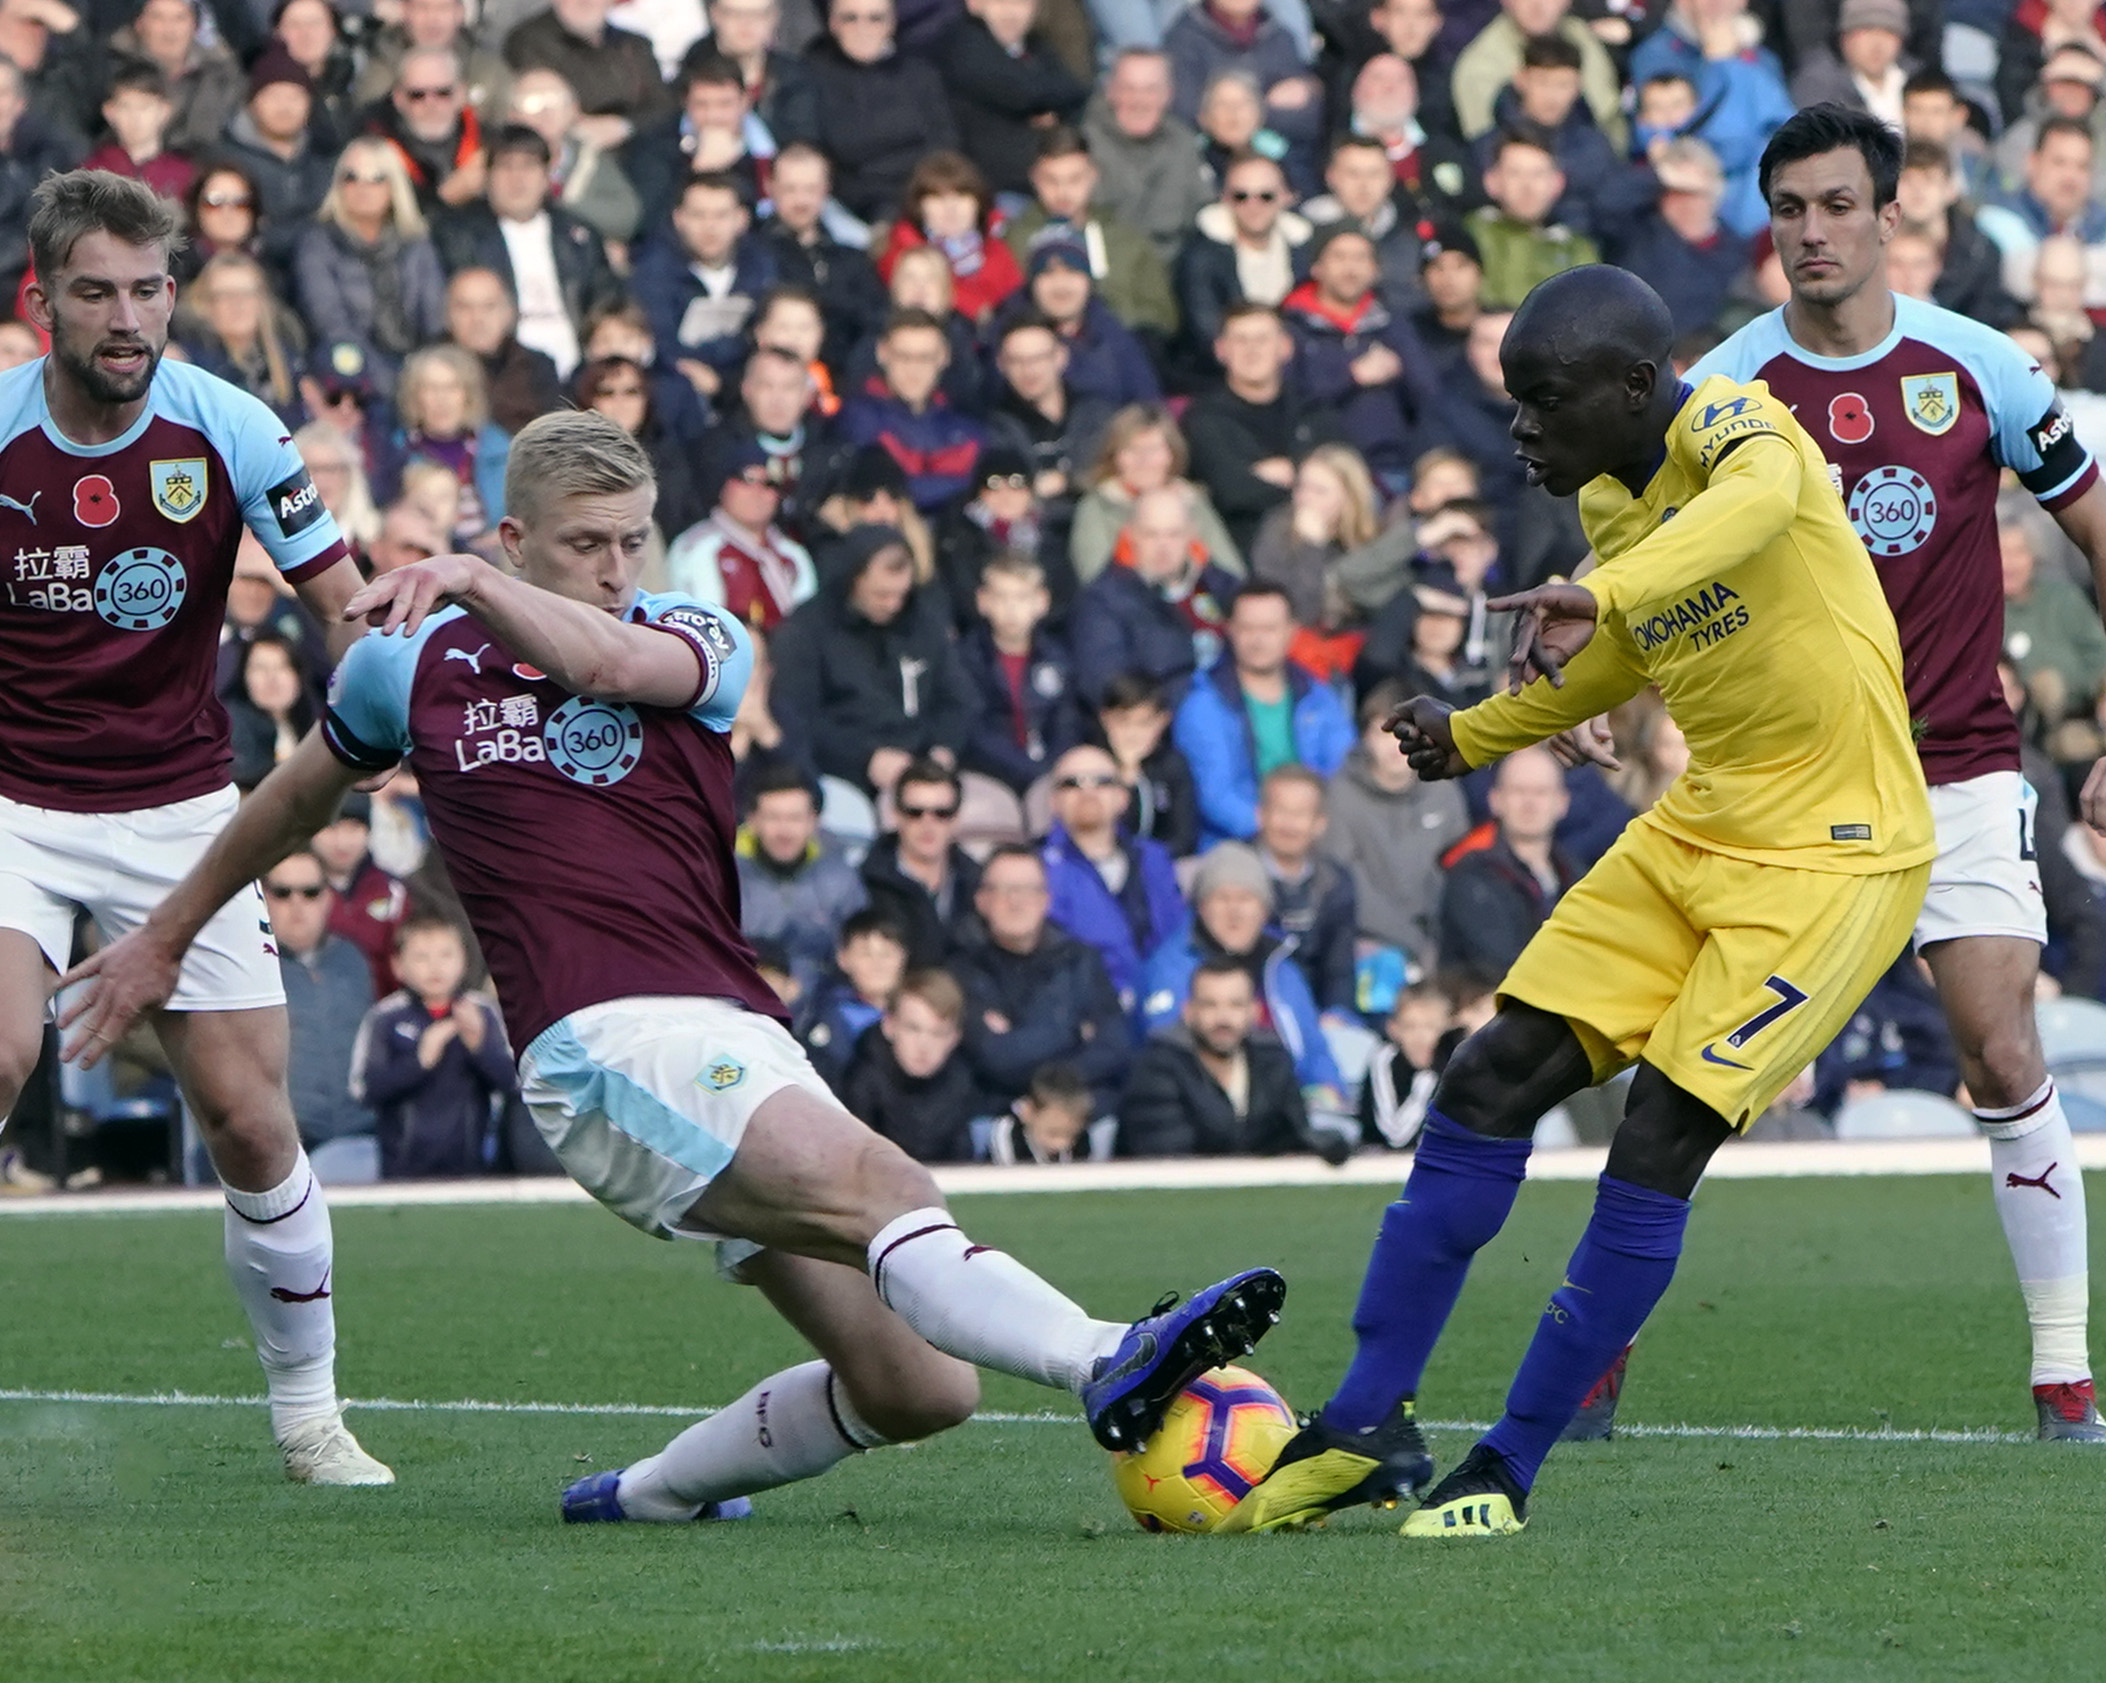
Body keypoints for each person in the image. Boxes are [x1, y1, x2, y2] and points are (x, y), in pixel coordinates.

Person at [67, 408, 1285, 1519]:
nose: (615, 568)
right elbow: (293, 801)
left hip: (734, 1032)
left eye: (632, 541)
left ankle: (644, 1497)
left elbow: (602, 665)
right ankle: (1109, 1355)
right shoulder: (412, 663)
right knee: (889, 1184)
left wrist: (471, 582)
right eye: (585, 543)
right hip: (599, 1042)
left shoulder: (696, 633)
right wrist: (165, 935)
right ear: (516, 536)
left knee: (918, 1389)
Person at [1220, 263, 1936, 1539]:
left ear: (1638, 385)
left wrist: (1603, 590)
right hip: (1703, 823)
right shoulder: (1614, 498)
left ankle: (1506, 1467)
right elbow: (1629, 646)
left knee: (1655, 1134)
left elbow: (1753, 510)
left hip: (1837, 857)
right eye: (1515, 402)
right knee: (1489, 1076)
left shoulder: (1740, 427)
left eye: (1544, 400)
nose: (1522, 428)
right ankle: (1368, 1422)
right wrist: (1474, 734)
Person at [1684, 104, 2106, 1441]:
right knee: (1697, 1073)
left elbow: (2099, 533)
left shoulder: (1979, 366)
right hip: (1792, 779)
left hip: (1958, 770)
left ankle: (2063, 1374)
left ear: (1887, 214)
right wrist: (1603, 690)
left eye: (1835, 205)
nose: (1811, 231)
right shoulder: (1721, 390)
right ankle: (1597, 1348)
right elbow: (1652, 566)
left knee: (2002, 1047)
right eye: (1788, 209)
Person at [1, 170, 387, 1483]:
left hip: (180, 808)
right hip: (13, 803)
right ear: (43, 302)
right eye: (96, 293)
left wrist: (381, 697)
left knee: (250, 1121)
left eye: (148, 291)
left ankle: (309, 1417)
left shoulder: (232, 427)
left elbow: (346, 603)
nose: (127, 319)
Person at [770, 524, 973, 796]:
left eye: (901, 594)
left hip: (923, 768)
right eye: (882, 594)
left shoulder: (922, 623)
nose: (893, 605)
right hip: (840, 774)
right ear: (854, 580)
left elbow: (959, 699)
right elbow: (797, 715)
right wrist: (865, 758)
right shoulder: (806, 630)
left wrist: (943, 748)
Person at [1140, 839, 1348, 1102]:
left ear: (1264, 910)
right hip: (1199, 1103)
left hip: (1287, 1102)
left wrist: (1329, 1089)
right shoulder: (1168, 968)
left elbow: (1315, 1050)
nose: (1234, 912)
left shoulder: (1282, 968)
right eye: (1222, 898)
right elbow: (1165, 1049)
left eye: (1246, 899)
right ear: (1201, 907)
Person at [951, 844, 1131, 1119]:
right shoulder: (960, 969)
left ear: (1046, 900)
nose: (1016, 902)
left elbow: (1114, 1047)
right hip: (998, 1116)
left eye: (1027, 890)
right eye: (1004, 890)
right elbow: (995, 1059)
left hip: (1079, 1112)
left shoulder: (1080, 960)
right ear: (982, 900)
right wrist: (1070, 1031)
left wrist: (1052, 1085)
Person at [1173, 582, 1355, 847]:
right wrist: (1280, 834)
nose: (1258, 641)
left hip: (1315, 838)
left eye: (1269, 629)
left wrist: (1312, 828)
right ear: (1230, 630)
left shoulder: (1318, 696)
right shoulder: (1203, 704)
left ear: (1292, 631)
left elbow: (1343, 773)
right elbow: (1216, 797)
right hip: (1236, 846)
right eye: (1248, 628)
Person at [433, 124, 619, 380]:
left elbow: (605, 301)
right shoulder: (457, 235)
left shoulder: (578, 235)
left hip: (580, 368)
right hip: (499, 367)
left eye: (529, 166)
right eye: (505, 167)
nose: (517, 179)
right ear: (487, 176)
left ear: (547, 175)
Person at [350, 914, 516, 1178]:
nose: (435, 967)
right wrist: (419, 1062)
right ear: (398, 966)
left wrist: (479, 1046)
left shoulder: (482, 1012)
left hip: (470, 1172)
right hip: (402, 1174)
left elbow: (513, 1083)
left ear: (464, 960)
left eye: (445, 955)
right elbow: (365, 1090)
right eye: (421, 957)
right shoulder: (385, 1017)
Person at [1119, 955, 1327, 1157]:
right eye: (1210, 1005)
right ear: (1188, 1012)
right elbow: (1167, 1156)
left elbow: (1298, 1141)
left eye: (1236, 1005)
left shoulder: (1273, 1060)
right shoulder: (1156, 1068)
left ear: (1254, 1012)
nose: (1223, 1018)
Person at [1279, 222, 1437, 487]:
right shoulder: (1292, 327)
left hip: (1394, 466)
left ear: (1376, 270)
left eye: (1361, 258)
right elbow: (1286, 399)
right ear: (1316, 267)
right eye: (1339, 257)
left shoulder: (1393, 323)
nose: (1350, 269)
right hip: (1323, 468)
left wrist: (1400, 368)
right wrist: (1352, 376)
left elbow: (1429, 393)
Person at [1182, 303, 1343, 557]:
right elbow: (1232, 493)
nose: (1252, 350)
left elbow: (1344, 473)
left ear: (1285, 348)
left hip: (1327, 544)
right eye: (1241, 341)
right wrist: (1308, 482)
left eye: (1262, 340)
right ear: (1221, 351)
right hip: (1248, 549)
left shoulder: (1313, 408)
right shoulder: (1203, 418)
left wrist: (1287, 474)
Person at [1040, 742, 1186, 1015]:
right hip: (1085, 1012)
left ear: (1122, 797)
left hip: (1165, 1006)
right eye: (1072, 784)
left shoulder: (1155, 860)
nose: (1088, 792)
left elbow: (1177, 936)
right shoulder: (1038, 870)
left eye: (1102, 782)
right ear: (1053, 801)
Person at [1070, 486, 1243, 709]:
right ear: (1131, 534)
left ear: (1191, 534)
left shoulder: (1223, 586)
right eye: (1151, 534)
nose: (1163, 546)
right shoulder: (1102, 602)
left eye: (1174, 534)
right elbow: (1106, 686)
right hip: (1159, 719)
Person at [1003, 126, 1177, 341]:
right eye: (1051, 180)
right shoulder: (1014, 241)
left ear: (1093, 176)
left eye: (1075, 179)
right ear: (1034, 178)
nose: (1063, 192)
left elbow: (1162, 316)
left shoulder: (1126, 239)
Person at [294, 137, 448, 379]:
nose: (362, 188)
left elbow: (435, 319)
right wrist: (389, 381)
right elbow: (331, 325)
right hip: (349, 369)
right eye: (351, 177)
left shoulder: (416, 240)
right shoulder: (317, 243)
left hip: (418, 368)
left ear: (394, 185)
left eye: (376, 178)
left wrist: (425, 373)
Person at [801, 0, 961, 224]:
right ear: (833, 24)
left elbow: (945, 145)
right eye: (850, 18)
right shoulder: (811, 74)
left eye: (875, 19)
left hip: (923, 197)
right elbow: (826, 155)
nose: (863, 29)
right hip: (851, 209)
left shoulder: (920, 73)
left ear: (891, 24)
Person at [264, 846, 376, 1157]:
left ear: (327, 898)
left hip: (367, 1134)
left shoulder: (353, 960)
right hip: (284, 1149)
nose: (297, 904)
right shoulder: (249, 970)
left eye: (310, 892)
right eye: (282, 892)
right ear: (264, 899)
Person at [1435, 743, 1577, 976]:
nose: (1529, 803)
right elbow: (1499, 964)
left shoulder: (1579, 877)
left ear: (1562, 802)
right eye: (1518, 791)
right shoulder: (1470, 877)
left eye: (1541, 792)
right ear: (1495, 800)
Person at [957, 548, 1082, 796]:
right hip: (986, 780)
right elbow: (975, 731)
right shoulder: (964, 658)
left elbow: (1067, 724)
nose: (1011, 609)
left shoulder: (1060, 658)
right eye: (1001, 598)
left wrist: (1051, 770)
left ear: (1042, 602)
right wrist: (1031, 773)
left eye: (1022, 598)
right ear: (983, 601)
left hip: (1052, 776)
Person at [736, 760, 868, 991]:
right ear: (753, 821)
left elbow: (862, 951)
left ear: (814, 822)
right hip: (747, 995)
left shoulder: (840, 879)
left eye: (795, 818)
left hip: (828, 1000)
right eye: (773, 817)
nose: (784, 831)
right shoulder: (727, 879)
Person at [937, 0, 1090, 197]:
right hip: (995, 188)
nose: (1011, 13)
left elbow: (1075, 92)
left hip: (1045, 184)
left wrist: (1051, 106)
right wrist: (1050, 105)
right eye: (1000, 3)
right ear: (975, 4)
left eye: (1021, 3)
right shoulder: (964, 44)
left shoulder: (1036, 46)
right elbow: (1024, 93)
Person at [1174, 150, 1311, 368]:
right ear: (1225, 199)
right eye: (1241, 196)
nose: (1253, 206)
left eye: (1266, 196)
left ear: (1287, 197)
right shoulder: (1200, 258)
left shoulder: (1307, 250)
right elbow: (1206, 334)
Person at [666, 438, 818, 633]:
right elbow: (702, 628)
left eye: (769, 483)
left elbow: (809, 626)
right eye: (747, 480)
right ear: (724, 487)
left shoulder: (792, 553)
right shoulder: (698, 547)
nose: (757, 492)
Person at [1083, 47, 1212, 269]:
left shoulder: (1184, 142)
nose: (1139, 101)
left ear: (1168, 94)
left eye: (1151, 90)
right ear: (1110, 91)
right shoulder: (1084, 146)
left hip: (1174, 269)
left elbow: (1202, 212)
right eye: (1129, 89)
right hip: (1107, 267)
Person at [839, 965, 984, 1162]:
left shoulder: (962, 1081)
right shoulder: (858, 1084)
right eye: (913, 1029)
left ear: (954, 1038)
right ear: (889, 1026)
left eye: (938, 1033)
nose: (924, 1046)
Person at [857, 757, 984, 966]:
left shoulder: (980, 883)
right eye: (914, 812)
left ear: (956, 819)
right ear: (895, 816)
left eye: (942, 814)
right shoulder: (862, 885)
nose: (928, 824)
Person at [1255, 765, 1356, 1018]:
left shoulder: (1336, 881)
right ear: (1260, 815)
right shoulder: (1237, 873)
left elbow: (1339, 967)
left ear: (1320, 824)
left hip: (1316, 1011)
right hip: (1255, 1008)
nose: (1289, 824)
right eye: (1280, 811)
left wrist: (1337, 1013)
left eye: (1300, 814)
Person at [502, 0, 674, 143]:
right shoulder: (529, 41)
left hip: (637, 148)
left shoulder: (634, 45)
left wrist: (623, 125)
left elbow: (663, 106)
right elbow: (549, 98)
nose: (586, 1)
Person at [1465, 130, 1599, 311]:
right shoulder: (1470, 234)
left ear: (1558, 183)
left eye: (1538, 174)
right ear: (1491, 181)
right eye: (1515, 173)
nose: (1527, 186)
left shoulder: (1576, 250)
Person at [443, 266, 566, 435]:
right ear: (448, 315)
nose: (478, 318)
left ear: (508, 312)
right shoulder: (429, 367)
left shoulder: (537, 366)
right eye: (465, 308)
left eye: (489, 307)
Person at [797, 904, 909, 1087]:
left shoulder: (920, 1009)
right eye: (865, 954)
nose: (877, 964)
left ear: (904, 957)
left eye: (887, 954)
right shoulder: (830, 1015)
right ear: (843, 959)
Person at [1097, 670, 1200, 856]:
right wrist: (1126, 779)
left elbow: (1184, 838)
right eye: (1122, 722)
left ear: (1163, 721)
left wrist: (1150, 862)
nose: (1132, 734)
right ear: (1105, 718)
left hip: (1162, 862)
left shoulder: (1172, 765)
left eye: (1144, 723)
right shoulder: (1093, 764)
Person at [85, 59, 192, 203]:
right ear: (109, 112)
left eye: (144, 107)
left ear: (164, 111)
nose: (135, 117)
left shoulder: (184, 176)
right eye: (125, 107)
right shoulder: (91, 173)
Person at [1358, 981, 1447, 1149]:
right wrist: (1427, 1082)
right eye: (1410, 1027)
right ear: (1394, 1029)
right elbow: (1395, 1137)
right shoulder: (1384, 1061)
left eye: (1431, 1027)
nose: (1421, 1038)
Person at [985, 1061, 1100, 1163]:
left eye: (1072, 1136)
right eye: (1053, 1133)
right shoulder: (1008, 1132)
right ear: (1027, 1113)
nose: (1062, 1144)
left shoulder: (1082, 1138)